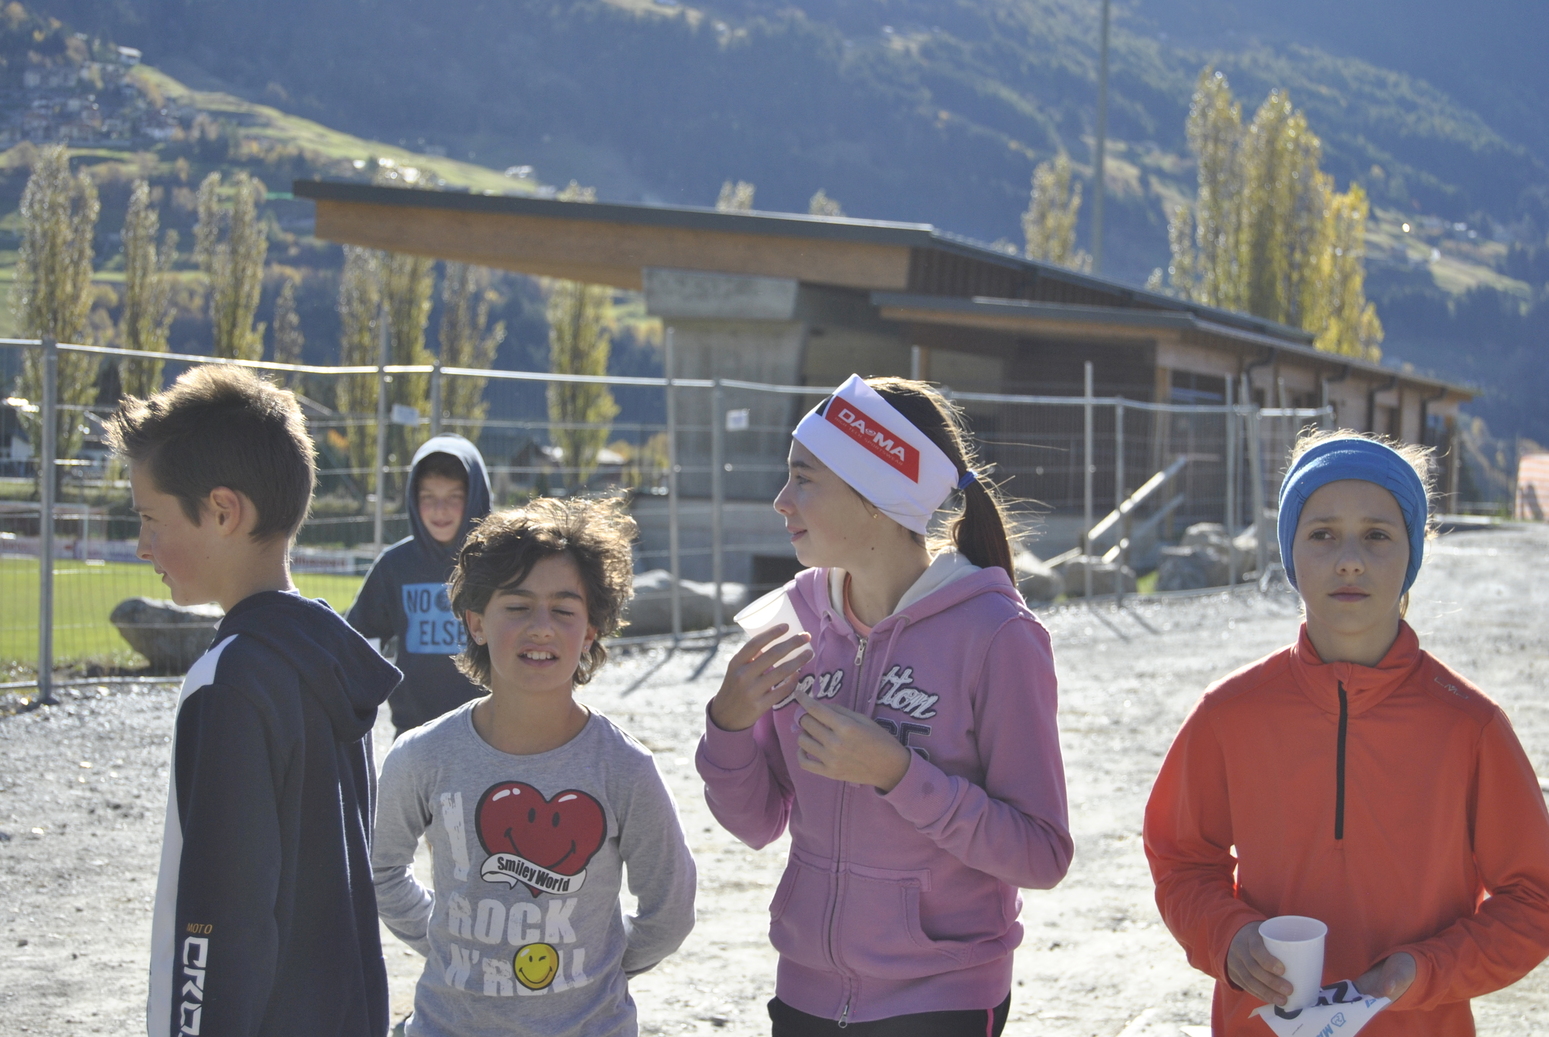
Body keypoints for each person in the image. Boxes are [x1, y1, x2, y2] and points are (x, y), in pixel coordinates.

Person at [696, 374, 1072, 1035]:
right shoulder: (793, 619)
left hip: (942, 997)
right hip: (806, 992)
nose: (781, 500)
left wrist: (897, 774)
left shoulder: (996, 634)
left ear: (878, 498)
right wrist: (726, 724)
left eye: (804, 479)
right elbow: (755, 822)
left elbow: (1040, 854)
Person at [1144, 429, 1549, 1035]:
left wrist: (1426, 969)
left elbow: (1534, 899)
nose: (1349, 559)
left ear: (1412, 553)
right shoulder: (1229, 713)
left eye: (1377, 535)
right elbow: (1180, 860)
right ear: (1289, 553)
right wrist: (1229, 936)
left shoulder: (1471, 726)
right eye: (1323, 534)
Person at [107, 366, 402, 1037]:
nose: (142, 545)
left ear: (222, 511)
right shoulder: (326, 655)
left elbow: (223, 919)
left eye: (150, 518)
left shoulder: (230, 680)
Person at [372, 495, 697, 1037]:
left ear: (590, 630)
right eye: (517, 606)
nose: (541, 627)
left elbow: (670, 909)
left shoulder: (625, 768)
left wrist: (602, 965)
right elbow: (381, 871)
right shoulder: (420, 755)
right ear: (477, 622)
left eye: (564, 610)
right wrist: (445, 941)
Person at [348, 434, 492, 736]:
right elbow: (358, 637)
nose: (440, 509)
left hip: (489, 731)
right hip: (413, 730)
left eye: (454, 497)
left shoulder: (497, 562)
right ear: (413, 498)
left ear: (474, 497)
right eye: (428, 497)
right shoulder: (395, 565)